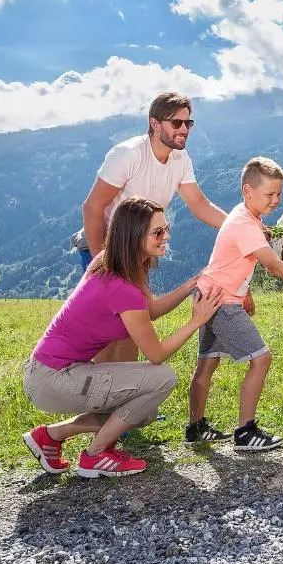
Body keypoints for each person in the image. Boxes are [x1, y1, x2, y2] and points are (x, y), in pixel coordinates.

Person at [23, 196, 224, 478]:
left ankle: (51, 436)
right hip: (52, 380)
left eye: (166, 228)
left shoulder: (116, 263)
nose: (166, 236)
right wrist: (196, 321)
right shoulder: (121, 286)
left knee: (144, 411)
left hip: (54, 372)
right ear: (133, 236)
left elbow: (150, 311)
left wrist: (191, 284)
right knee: (163, 377)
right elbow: (156, 354)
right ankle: (96, 455)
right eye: (157, 232)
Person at [75, 91, 254, 364]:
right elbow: (92, 208)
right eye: (176, 123)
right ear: (155, 124)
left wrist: (241, 227)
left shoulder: (180, 159)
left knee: (133, 324)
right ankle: (96, 384)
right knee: (110, 326)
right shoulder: (128, 154)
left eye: (188, 123)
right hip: (105, 245)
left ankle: (125, 386)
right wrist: (102, 262)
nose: (184, 129)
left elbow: (199, 203)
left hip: (138, 250)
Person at [186, 157, 283, 451]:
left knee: (207, 362)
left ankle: (196, 427)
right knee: (261, 359)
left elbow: (234, 262)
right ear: (248, 191)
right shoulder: (245, 224)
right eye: (269, 194)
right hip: (221, 302)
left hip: (209, 294)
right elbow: (274, 266)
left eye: (279, 194)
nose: (276, 200)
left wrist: (246, 292)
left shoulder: (244, 216)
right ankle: (245, 432)